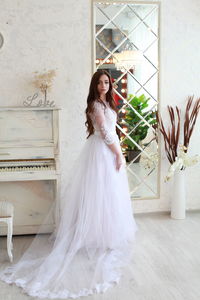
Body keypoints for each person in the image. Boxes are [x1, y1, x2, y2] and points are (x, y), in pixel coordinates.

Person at [0, 70, 138, 299]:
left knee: (108, 195)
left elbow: (111, 129)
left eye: (107, 82)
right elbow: (104, 131)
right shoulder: (95, 104)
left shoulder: (107, 103)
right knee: (99, 193)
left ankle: (105, 234)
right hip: (102, 152)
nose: (104, 85)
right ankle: (94, 234)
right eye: (100, 82)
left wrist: (116, 150)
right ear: (94, 84)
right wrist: (118, 154)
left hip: (107, 150)